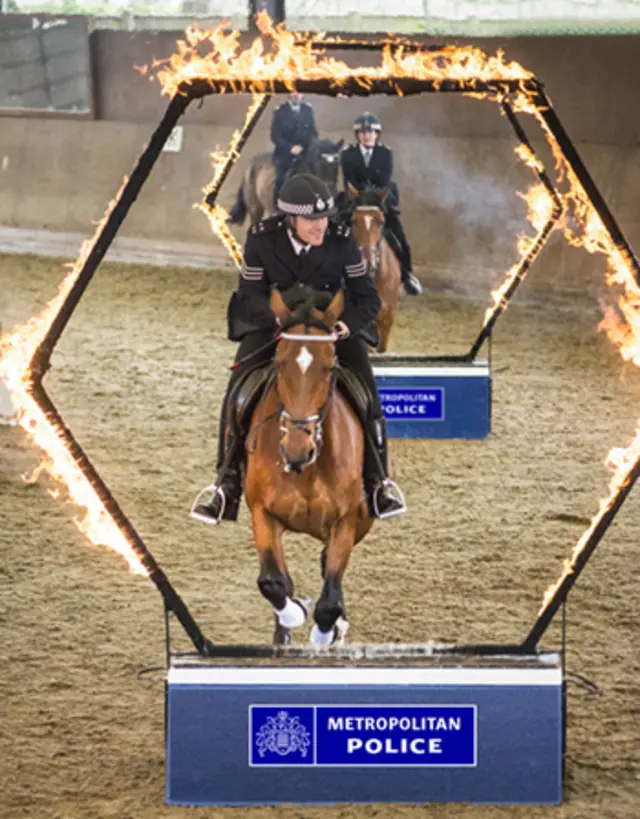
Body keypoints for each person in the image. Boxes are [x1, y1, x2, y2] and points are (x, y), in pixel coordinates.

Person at [192, 173, 407, 525]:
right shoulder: (262, 239)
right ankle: (225, 485)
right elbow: (250, 293)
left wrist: (346, 326)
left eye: (323, 218)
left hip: (330, 327)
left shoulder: (341, 240)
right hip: (274, 324)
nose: (320, 226)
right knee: (236, 396)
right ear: (291, 219)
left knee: (368, 397)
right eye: (311, 220)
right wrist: (277, 321)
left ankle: (378, 484)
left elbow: (368, 298)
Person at [340, 112, 422, 296]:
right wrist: (361, 194)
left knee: (400, 240)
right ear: (358, 135)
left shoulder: (386, 153)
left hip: (380, 199)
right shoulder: (347, 153)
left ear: (377, 134)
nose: (367, 135)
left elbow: (384, 178)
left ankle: (407, 276)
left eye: (370, 132)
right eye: (363, 132)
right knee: (337, 232)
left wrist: (372, 194)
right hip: (356, 199)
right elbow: (348, 179)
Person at [227, 91, 318, 225]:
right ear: (288, 95)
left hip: (304, 152)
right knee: (281, 177)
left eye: (299, 94)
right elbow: (275, 135)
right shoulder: (280, 111)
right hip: (285, 153)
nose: (296, 96)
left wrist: (310, 146)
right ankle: (278, 208)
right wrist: (290, 148)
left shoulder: (307, 110)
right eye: (293, 93)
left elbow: (313, 132)